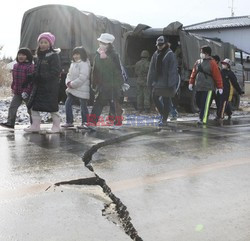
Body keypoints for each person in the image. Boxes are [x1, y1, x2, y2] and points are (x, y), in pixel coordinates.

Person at [24, 32, 61, 133]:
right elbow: (36, 71)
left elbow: (56, 71)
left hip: (49, 87)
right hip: (39, 86)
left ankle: (56, 126)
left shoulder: (54, 56)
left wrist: (42, 77)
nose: (43, 44)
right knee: (33, 106)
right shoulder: (39, 56)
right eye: (41, 42)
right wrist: (30, 77)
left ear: (50, 44)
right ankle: (35, 126)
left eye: (45, 42)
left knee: (52, 107)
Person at [87, 33, 123, 129]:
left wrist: (106, 59)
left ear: (109, 45)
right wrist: (93, 83)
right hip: (102, 84)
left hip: (113, 84)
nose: (102, 45)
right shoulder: (97, 54)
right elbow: (94, 70)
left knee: (114, 103)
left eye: (104, 43)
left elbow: (117, 70)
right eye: (101, 43)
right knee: (98, 103)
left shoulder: (114, 55)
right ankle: (92, 123)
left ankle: (118, 122)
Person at [147, 36, 179, 126]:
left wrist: (171, 84)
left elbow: (172, 70)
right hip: (157, 81)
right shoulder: (155, 54)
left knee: (166, 100)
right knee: (154, 97)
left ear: (166, 44)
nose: (159, 46)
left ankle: (164, 118)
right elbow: (151, 68)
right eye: (158, 45)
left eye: (161, 45)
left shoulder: (170, 54)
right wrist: (149, 81)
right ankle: (162, 114)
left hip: (167, 82)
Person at [0, 48, 34, 129]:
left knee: (30, 109)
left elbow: (30, 81)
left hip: (27, 93)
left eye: (23, 55)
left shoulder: (30, 66)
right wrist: (13, 87)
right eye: (19, 55)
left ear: (28, 56)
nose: (20, 56)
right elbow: (14, 79)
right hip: (17, 92)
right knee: (12, 107)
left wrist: (26, 91)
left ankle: (34, 124)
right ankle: (10, 123)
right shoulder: (15, 66)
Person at [189, 45, 223, 125]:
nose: (201, 54)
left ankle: (202, 119)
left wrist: (219, 87)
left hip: (208, 88)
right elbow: (194, 72)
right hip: (199, 87)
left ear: (207, 53)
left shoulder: (212, 63)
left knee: (205, 104)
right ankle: (204, 114)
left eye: (202, 52)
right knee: (198, 102)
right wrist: (191, 82)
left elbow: (217, 76)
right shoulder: (198, 62)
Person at [61, 46, 91, 129]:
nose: (75, 56)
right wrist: (68, 82)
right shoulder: (73, 64)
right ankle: (69, 121)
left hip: (82, 89)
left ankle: (85, 122)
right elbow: (69, 75)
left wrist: (72, 84)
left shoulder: (84, 63)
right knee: (67, 104)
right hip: (73, 88)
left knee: (83, 106)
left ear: (82, 54)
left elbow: (83, 77)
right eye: (74, 54)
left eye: (78, 54)